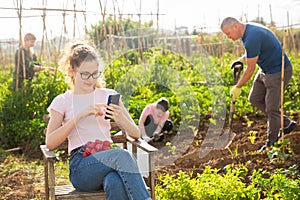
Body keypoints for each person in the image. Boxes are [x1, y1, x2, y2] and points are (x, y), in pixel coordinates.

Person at [45, 39, 151, 200]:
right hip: (82, 166)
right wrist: (78, 116)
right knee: (122, 156)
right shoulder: (63, 100)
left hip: (108, 159)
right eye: (85, 74)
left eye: (95, 74)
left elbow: (136, 133)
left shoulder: (108, 95)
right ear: (72, 70)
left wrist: (120, 117)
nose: (90, 79)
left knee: (114, 182)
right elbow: (50, 143)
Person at [221, 17, 297, 152]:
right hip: (265, 70)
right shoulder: (247, 32)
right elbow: (253, 53)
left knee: (272, 108)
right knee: (254, 98)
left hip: (278, 71)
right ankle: (286, 123)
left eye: (228, 34)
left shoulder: (252, 37)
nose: (228, 37)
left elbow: (250, 69)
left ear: (235, 26)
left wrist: (238, 86)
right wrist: (241, 60)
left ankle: (271, 143)